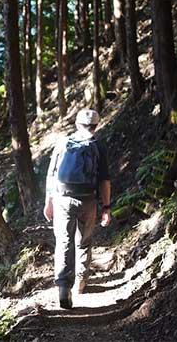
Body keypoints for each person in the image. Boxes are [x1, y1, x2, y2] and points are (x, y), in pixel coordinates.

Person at [43, 109, 112, 309]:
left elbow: (51, 175)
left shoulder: (63, 143)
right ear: (96, 126)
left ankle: (63, 287)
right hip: (88, 200)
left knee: (64, 241)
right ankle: (81, 282)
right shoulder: (98, 146)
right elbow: (104, 180)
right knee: (84, 241)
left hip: (62, 199)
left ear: (76, 124)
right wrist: (106, 207)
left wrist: (49, 202)